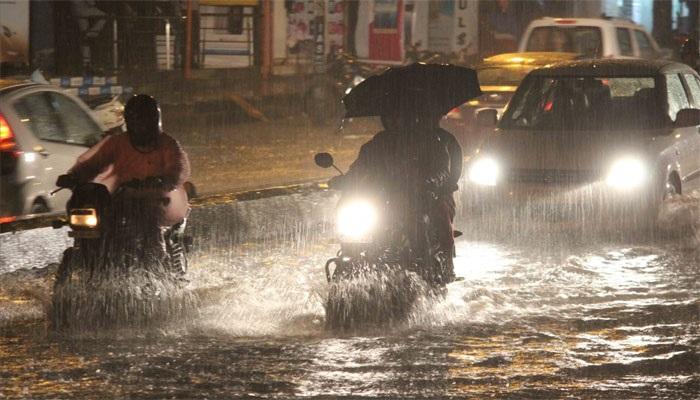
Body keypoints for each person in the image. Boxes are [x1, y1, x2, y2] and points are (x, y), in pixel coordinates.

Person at [331, 110, 455, 283]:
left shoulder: (431, 141)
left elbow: (442, 171)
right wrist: (343, 181)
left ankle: (432, 268)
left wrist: (428, 183)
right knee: (351, 229)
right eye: (391, 116)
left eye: (400, 115)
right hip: (380, 201)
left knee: (430, 219)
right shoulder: (375, 144)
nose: (396, 120)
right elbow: (358, 170)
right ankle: (349, 265)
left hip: (419, 199)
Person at [59, 94, 190, 228]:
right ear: (128, 122)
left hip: (155, 202)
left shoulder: (167, 144)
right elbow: (92, 164)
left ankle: (154, 247)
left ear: (154, 121)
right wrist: (74, 176)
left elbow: (177, 168)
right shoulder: (117, 143)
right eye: (136, 122)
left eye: (144, 122)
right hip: (120, 200)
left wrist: (163, 181)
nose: (141, 127)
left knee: (149, 221)